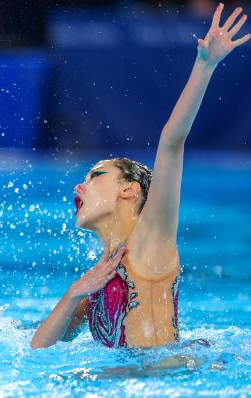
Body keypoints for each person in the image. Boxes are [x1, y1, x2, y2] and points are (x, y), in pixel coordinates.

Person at [31, 3, 250, 349]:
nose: (79, 185)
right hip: (132, 386)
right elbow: (38, 350)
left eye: (96, 176)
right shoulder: (98, 279)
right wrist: (75, 293)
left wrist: (205, 64)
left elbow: (171, 142)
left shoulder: (151, 240)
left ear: (130, 191)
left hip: (168, 381)